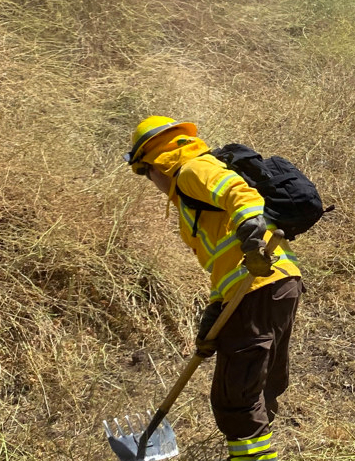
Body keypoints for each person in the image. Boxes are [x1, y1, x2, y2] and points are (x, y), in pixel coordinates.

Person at [125, 116, 303, 461]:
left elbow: (241, 194)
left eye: (144, 172)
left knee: (236, 397)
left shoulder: (193, 171)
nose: (150, 181)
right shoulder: (188, 196)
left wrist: (252, 228)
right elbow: (222, 261)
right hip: (266, 286)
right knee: (255, 383)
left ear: (157, 161)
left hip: (260, 284)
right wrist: (216, 308)